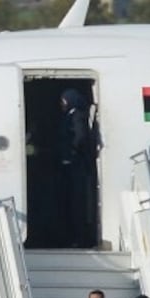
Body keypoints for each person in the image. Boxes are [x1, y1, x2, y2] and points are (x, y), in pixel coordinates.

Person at [58, 88, 96, 248]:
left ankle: (80, 238)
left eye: (64, 100)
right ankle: (73, 236)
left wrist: (71, 152)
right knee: (71, 201)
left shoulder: (77, 116)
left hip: (76, 165)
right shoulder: (71, 115)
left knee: (77, 202)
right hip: (71, 164)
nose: (62, 104)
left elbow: (80, 136)